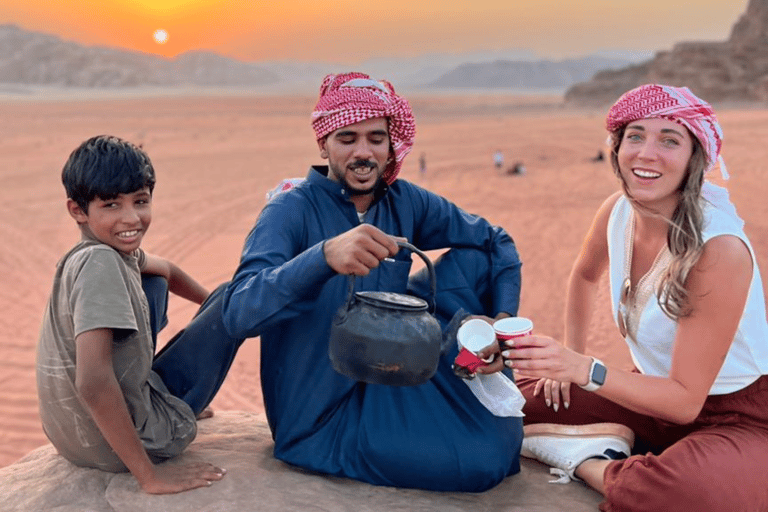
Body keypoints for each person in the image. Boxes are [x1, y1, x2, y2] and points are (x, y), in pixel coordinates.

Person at [221, 72, 524, 492]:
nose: (363, 152)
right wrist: (323, 258)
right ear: (323, 143)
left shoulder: (405, 200)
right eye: (347, 139)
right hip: (324, 415)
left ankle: (471, 363)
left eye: (375, 139)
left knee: (478, 259)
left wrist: (501, 321)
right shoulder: (289, 210)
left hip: (392, 369)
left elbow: (497, 241)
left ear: (389, 143)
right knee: (481, 462)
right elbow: (238, 312)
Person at [498, 84, 768, 511]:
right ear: (617, 147)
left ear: (694, 159)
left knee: (681, 494)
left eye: (670, 140)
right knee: (512, 410)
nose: (646, 153)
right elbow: (584, 276)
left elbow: (684, 402)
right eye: (636, 135)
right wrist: (571, 359)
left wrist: (582, 368)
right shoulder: (617, 211)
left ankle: (586, 460)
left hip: (742, 416)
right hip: (649, 394)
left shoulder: (719, 249)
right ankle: (625, 445)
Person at [36, 135, 245, 494]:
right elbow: (93, 381)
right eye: (112, 205)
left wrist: (211, 306)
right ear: (78, 210)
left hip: (73, 438)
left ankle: (168, 400)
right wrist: (149, 476)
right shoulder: (100, 263)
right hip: (119, 448)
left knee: (159, 284)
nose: (131, 218)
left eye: (141, 201)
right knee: (233, 299)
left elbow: (166, 270)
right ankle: (172, 414)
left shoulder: (99, 251)